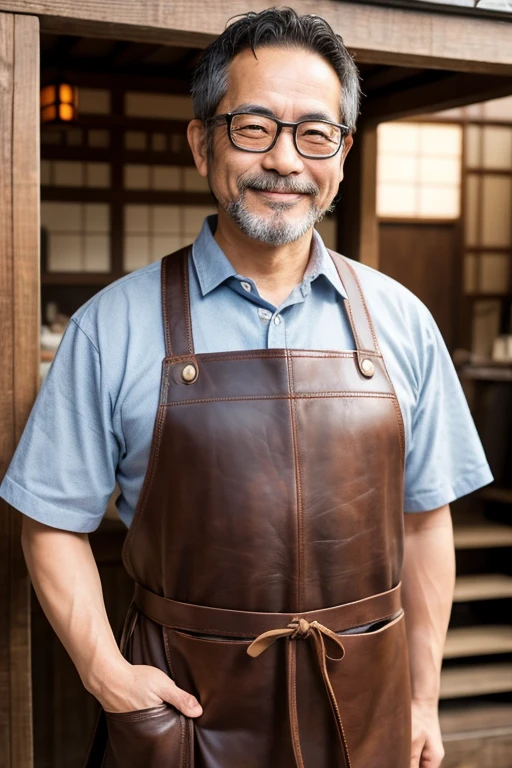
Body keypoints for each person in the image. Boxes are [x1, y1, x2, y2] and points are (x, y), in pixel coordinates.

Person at [0, 8, 493, 768]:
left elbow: (426, 524)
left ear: (343, 152)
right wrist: (106, 671)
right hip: (186, 709)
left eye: (314, 133)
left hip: (365, 706)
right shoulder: (113, 325)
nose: (285, 161)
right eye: (253, 127)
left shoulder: (402, 320)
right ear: (203, 142)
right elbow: (50, 522)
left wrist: (421, 698)